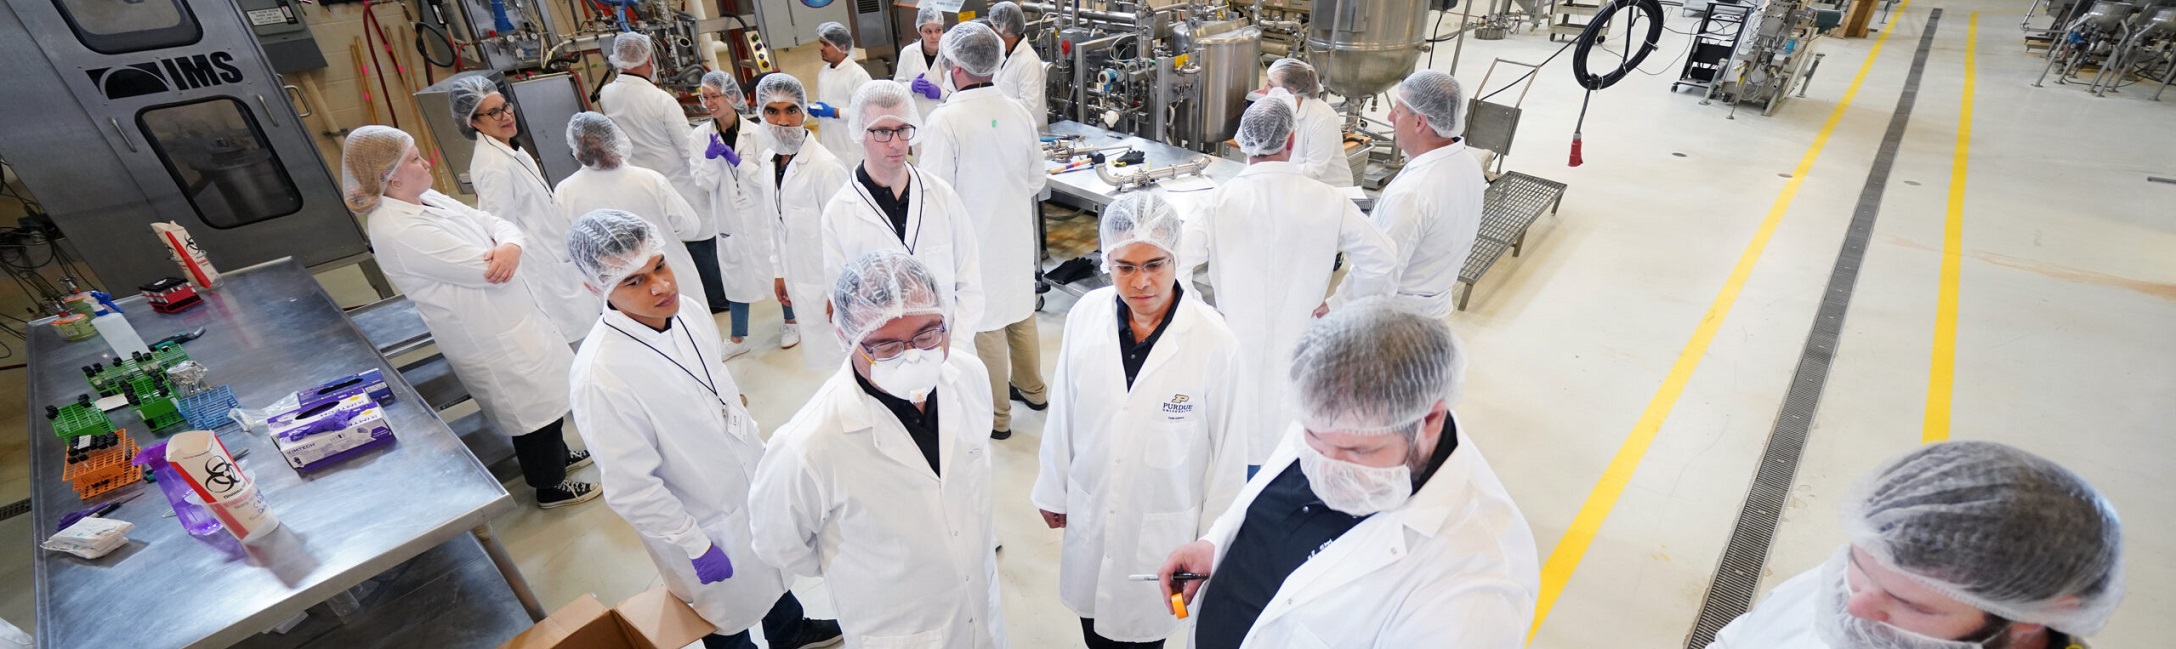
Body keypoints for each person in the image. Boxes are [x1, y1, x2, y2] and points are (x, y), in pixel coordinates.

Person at [1157, 299, 1540, 649]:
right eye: (1312, 438)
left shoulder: (1476, 592)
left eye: (1356, 452)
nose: (1324, 469)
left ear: (1430, 419)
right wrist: (1215, 543)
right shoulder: (1334, 409)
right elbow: (1264, 498)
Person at [562, 210, 846, 649]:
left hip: (750, 484)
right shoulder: (602, 375)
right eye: (634, 281)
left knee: (775, 574)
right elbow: (632, 487)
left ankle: (792, 634)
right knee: (727, 622)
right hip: (703, 525)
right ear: (597, 288)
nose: (660, 286)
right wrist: (695, 545)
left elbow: (721, 390)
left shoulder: (688, 313)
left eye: (659, 265)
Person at [748, 251, 1006, 648]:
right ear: (847, 338)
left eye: (927, 334)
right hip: (897, 626)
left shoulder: (968, 377)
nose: (913, 357)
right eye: (886, 347)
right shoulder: (808, 443)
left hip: (977, 602)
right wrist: (861, 564)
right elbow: (779, 544)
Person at [1031, 193, 1248, 649]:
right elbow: (1065, 415)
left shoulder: (1213, 341)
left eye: (1155, 264)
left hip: (1162, 537)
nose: (1141, 281)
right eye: (1124, 267)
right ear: (1106, 261)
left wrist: (1211, 543)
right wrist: (1053, 487)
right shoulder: (1085, 317)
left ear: (1176, 257)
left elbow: (1230, 458)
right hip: (1091, 514)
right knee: (1092, 625)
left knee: (1147, 632)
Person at [340, 125, 597, 509]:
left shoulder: (426, 199)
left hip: (516, 317)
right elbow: (484, 271)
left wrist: (508, 244)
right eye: (413, 159)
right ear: (388, 176)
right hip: (489, 335)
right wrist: (505, 251)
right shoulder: (396, 229)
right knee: (530, 415)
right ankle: (549, 486)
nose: (424, 161)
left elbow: (492, 221)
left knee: (547, 400)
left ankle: (559, 457)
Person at [1706, 441, 2124, 649]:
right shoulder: (1862, 585)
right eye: (1858, 565)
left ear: (2033, 617)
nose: (1854, 606)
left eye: (1916, 606)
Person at [1180, 98, 1396, 471]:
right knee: (1292, 436)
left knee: (1233, 439)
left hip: (1233, 337)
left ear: (1242, 142)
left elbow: (1175, 265)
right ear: (1292, 141)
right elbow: (1383, 260)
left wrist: (1203, 311)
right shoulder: (1328, 200)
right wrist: (1339, 303)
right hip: (1304, 341)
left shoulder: (1218, 201)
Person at [921, 21, 1048, 440]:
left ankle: (998, 419)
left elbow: (935, 193)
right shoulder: (1017, 112)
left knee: (987, 324)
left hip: (973, 240)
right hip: (1015, 234)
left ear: (955, 66)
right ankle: (1034, 390)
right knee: (1021, 312)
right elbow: (1035, 180)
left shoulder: (946, 121)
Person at [820, 81, 985, 359]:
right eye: (883, 131)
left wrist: (953, 350)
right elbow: (843, 307)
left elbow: (969, 282)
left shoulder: (941, 196)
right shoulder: (840, 213)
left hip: (948, 351)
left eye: (902, 130)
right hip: (883, 361)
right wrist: (871, 365)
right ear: (860, 132)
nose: (896, 143)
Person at [447, 76, 601, 344]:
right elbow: (501, 228)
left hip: (557, 258)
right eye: (493, 112)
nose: (505, 116)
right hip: (541, 269)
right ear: (473, 122)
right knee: (577, 340)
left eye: (505, 107)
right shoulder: (495, 166)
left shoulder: (511, 149)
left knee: (588, 328)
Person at [599, 32, 727, 313]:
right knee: (700, 239)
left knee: (661, 246)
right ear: (648, 59)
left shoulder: (607, 94)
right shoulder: (660, 99)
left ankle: (678, 295)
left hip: (638, 183)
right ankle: (716, 301)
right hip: (678, 180)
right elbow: (687, 146)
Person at [555, 111, 711, 313]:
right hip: (671, 280)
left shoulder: (565, 192)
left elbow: (567, 251)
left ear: (576, 150)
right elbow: (691, 228)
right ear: (616, 139)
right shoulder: (650, 180)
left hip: (621, 296)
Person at [749, 73, 854, 371]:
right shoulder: (769, 161)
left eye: (791, 110)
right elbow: (775, 223)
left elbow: (847, 238)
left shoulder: (825, 168)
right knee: (821, 361)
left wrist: (840, 293)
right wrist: (779, 271)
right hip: (799, 281)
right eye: (772, 111)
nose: (782, 121)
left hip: (828, 289)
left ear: (803, 111)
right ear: (760, 113)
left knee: (842, 361)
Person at [1369, 70, 1484, 319]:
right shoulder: (1467, 163)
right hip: (1432, 310)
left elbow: (1379, 275)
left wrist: (1335, 308)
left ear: (1420, 122)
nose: (1389, 117)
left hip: (1394, 323)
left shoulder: (1413, 193)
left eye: (1398, 111)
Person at [688, 71, 772, 359]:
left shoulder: (758, 133)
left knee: (776, 267)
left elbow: (768, 179)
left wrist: (739, 163)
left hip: (759, 213)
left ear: (731, 97)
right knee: (735, 277)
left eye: (715, 96)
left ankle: (791, 320)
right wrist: (712, 160)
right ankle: (738, 338)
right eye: (705, 97)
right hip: (728, 217)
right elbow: (703, 183)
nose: (709, 102)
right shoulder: (700, 138)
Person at [1262, 59, 1353, 189]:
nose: (1264, 90)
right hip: (1296, 186)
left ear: (1291, 90)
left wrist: (1273, 170)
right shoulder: (1279, 111)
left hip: (1330, 192)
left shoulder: (1323, 118)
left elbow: (1314, 171)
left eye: (1270, 85)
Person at [810, 22, 873, 170]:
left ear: (842, 47)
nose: (820, 48)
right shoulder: (824, 72)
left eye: (825, 44)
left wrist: (834, 112)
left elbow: (867, 112)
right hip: (830, 146)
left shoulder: (857, 75)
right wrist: (816, 108)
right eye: (820, 43)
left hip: (852, 150)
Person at [989, 2, 1048, 129]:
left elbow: (1030, 106)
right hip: (1008, 128)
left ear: (1004, 28)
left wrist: (994, 102)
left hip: (1028, 131)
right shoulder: (1003, 54)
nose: (991, 31)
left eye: (993, 27)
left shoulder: (1028, 61)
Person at [895, 6, 950, 119]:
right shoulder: (908, 53)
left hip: (946, 117)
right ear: (919, 31)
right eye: (928, 31)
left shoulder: (950, 53)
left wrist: (941, 93)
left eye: (938, 30)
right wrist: (911, 86)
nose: (934, 36)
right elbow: (896, 88)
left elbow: (961, 92)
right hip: (917, 119)